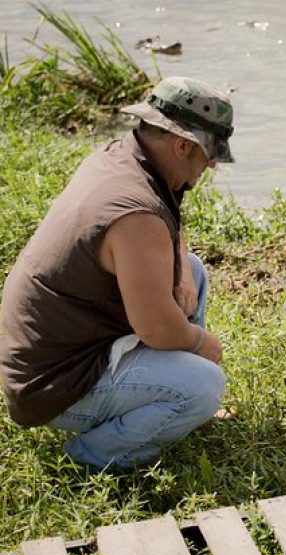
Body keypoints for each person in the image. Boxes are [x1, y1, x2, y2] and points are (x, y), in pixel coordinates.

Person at [0, 76, 235, 471]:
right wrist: (202, 345)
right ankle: (92, 456)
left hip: (57, 349)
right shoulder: (137, 216)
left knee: (190, 270)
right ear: (182, 145)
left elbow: (167, 215)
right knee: (204, 384)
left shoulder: (122, 157)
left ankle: (167, 393)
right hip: (52, 384)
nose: (211, 164)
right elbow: (157, 329)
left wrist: (177, 265)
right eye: (209, 154)